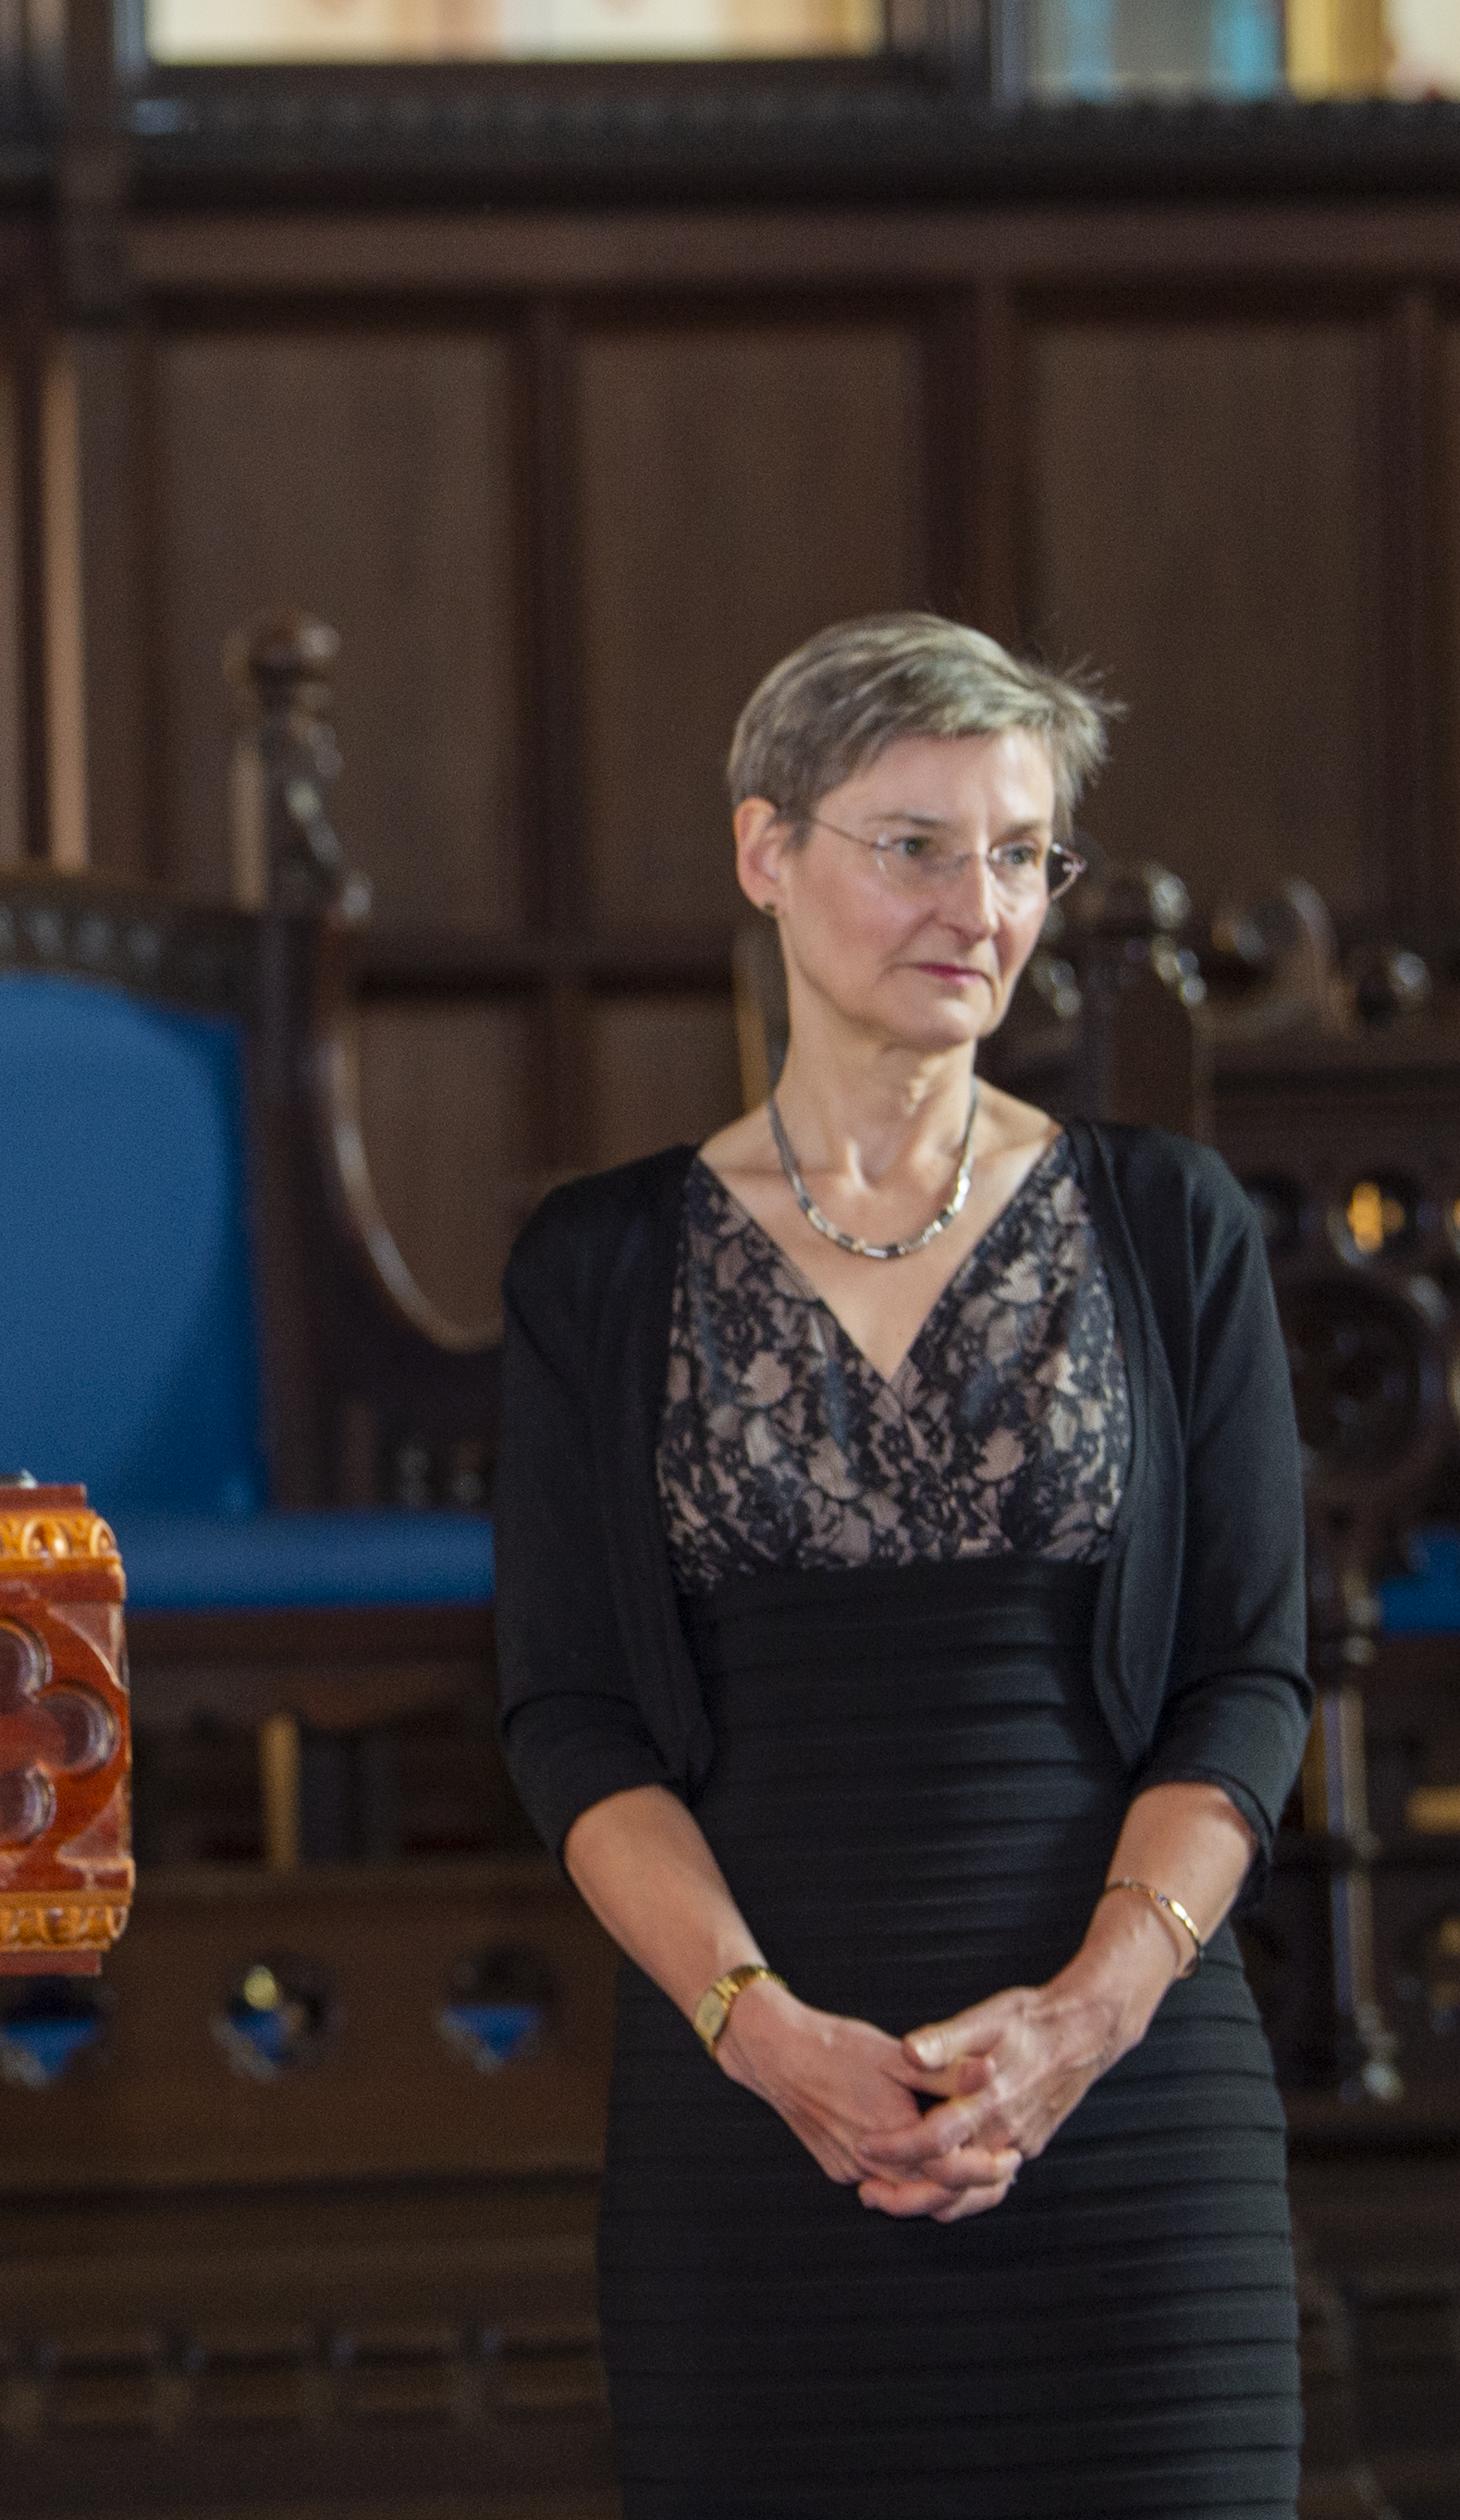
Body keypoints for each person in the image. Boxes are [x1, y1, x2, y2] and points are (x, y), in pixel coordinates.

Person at [493, 614, 1313, 2515]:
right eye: (915, 842)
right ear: (764, 853)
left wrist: (1087, 2021)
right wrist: (761, 2037)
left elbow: (1247, 1682)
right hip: (754, 2124)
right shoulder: (600, 1267)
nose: (981, 903)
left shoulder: (1168, 1224)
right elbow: (570, 1718)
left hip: (1124, 2119)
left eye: (1022, 852)